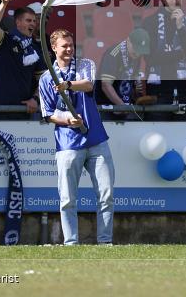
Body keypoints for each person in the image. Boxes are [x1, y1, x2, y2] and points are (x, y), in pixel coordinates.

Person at [38, 29, 114, 246]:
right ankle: (71, 244)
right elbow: (48, 113)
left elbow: (89, 84)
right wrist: (67, 119)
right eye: (64, 46)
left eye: (71, 45)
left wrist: (68, 85)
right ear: (53, 48)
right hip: (68, 144)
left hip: (96, 140)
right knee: (68, 199)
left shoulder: (85, 64)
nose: (70, 49)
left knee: (106, 194)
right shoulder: (45, 78)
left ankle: (105, 243)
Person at [0, 0, 46, 118]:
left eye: (34, 21)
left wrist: (35, 99)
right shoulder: (5, 41)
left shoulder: (35, 49)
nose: (33, 23)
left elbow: (44, 80)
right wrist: (4, 3)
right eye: (28, 20)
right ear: (18, 23)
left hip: (24, 112)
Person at [141, 0, 186, 117]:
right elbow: (150, 58)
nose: (174, 1)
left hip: (183, 89)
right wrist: (179, 54)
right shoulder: (150, 22)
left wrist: (180, 28)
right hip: (158, 90)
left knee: (185, 131)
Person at [98, 28, 151, 118]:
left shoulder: (135, 55)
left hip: (124, 105)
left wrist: (136, 88)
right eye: (136, 49)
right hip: (107, 107)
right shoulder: (113, 54)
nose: (138, 54)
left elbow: (130, 78)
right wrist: (122, 106)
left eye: (140, 51)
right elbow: (106, 85)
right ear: (128, 41)